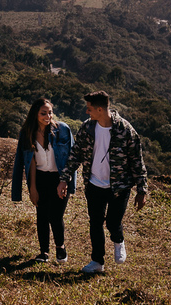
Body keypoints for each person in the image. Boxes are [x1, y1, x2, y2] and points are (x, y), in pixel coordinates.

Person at [59, 91, 148, 274]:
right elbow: (76, 154)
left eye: (89, 109)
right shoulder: (88, 128)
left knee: (113, 223)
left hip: (119, 186)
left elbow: (137, 161)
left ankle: (119, 241)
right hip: (94, 184)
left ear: (100, 109)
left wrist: (141, 190)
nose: (87, 112)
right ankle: (97, 261)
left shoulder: (125, 129)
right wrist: (64, 179)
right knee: (95, 223)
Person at [11, 98, 73, 263]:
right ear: (35, 114)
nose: (48, 116)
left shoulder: (63, 130)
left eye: (50, 112)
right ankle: (44, 252)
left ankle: (60, 247)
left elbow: (71, 158)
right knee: (42, 215)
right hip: (40, 178)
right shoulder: (27, 133)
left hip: (59, 178)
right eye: (43, 113)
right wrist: (32, 188)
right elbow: (29, 161)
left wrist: (66, 181)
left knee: (56, 215)